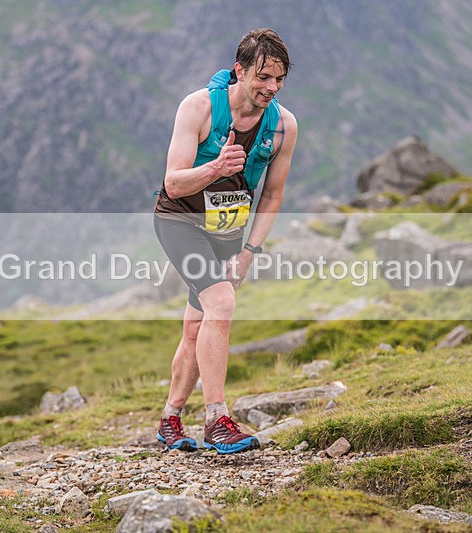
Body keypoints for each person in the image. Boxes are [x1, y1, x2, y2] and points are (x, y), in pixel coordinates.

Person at [153, 28, 298, 454]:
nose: (271, 88)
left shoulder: (284, 127)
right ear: (239, 71)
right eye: (263, 77)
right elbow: (173, 183)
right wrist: (215, 168)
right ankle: (218, 418)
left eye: (279, 79)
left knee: (197, 326)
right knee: (221, 304)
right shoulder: (198, 108)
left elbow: (272, 195)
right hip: (180, 221)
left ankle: (170, 419)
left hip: (228, 232)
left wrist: (250, 251)